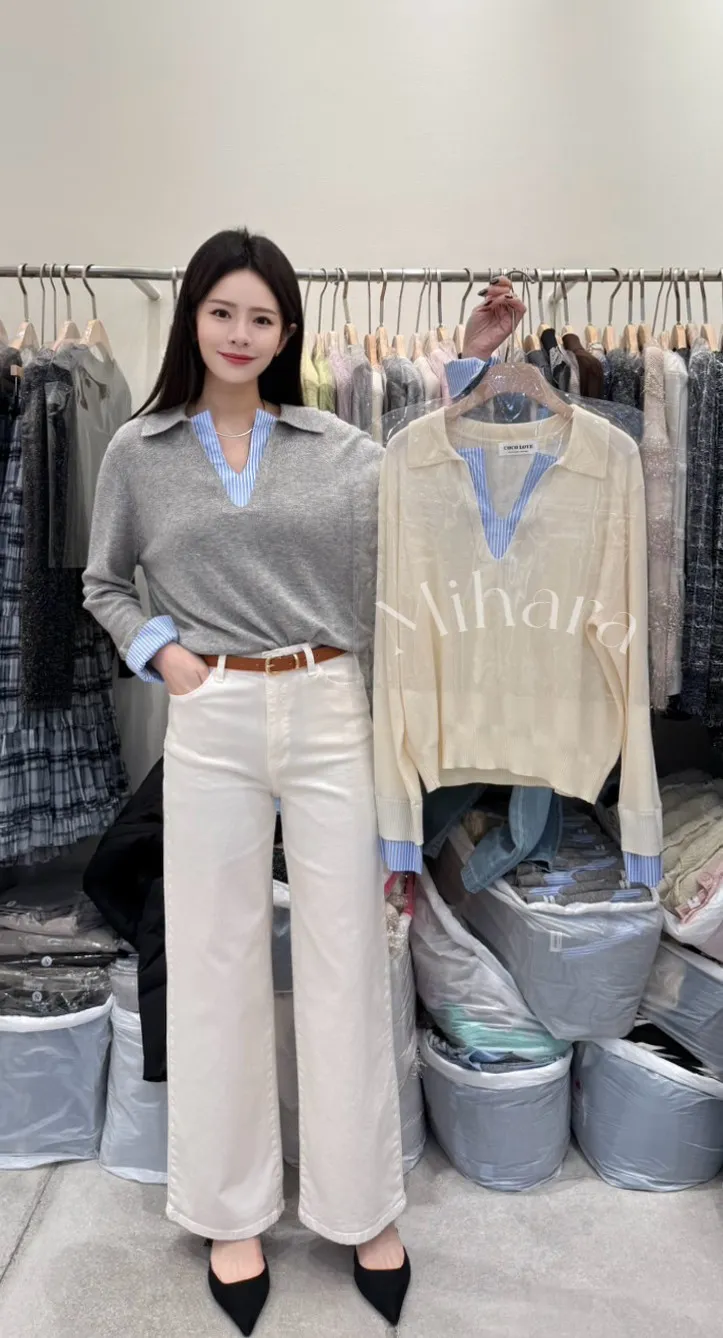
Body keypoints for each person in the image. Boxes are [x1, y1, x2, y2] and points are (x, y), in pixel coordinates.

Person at [83, 229, 521, 1335]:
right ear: (193, 317)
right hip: (213, 711)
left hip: (330, 705)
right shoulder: (140, 450)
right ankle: (228, 1208)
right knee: (213, 957)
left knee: (348, 955)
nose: (241, 334)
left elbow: (431, 483)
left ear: (288, 332)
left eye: (262, 318)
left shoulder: (337, 447)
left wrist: (470, 363)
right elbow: (103, 582)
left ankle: (361, 1204)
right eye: (222, 312)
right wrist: (165, 656)